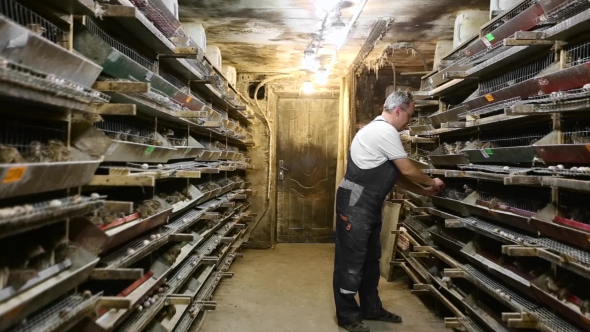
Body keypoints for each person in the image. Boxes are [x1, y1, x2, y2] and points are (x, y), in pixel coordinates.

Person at [333, 91, 445, 332]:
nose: (409, 121)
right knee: (351, 261)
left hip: (367, 203)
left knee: (371, 260)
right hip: (355, 202)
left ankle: (371, 308)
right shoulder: (384, 131)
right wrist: (430, 182)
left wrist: (423, 192)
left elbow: (395, 175)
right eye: (409, 115)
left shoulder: (381, 132)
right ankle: (348, 316)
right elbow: (407, 169)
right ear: (398, 111)